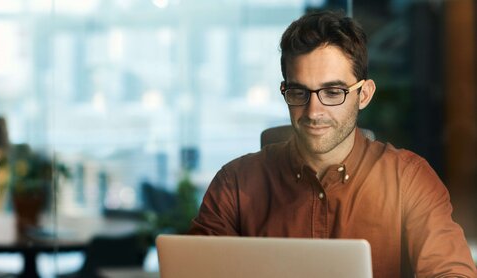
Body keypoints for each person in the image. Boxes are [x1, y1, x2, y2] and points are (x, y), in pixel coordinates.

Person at [188, 10, 476, 277]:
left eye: (333, 91)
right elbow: (191, 270)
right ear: (284, 91)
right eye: (299, 92)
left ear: (363, 95)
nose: (314, 111)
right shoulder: (235, 185)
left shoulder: (408, 179)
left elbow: (453, 273)